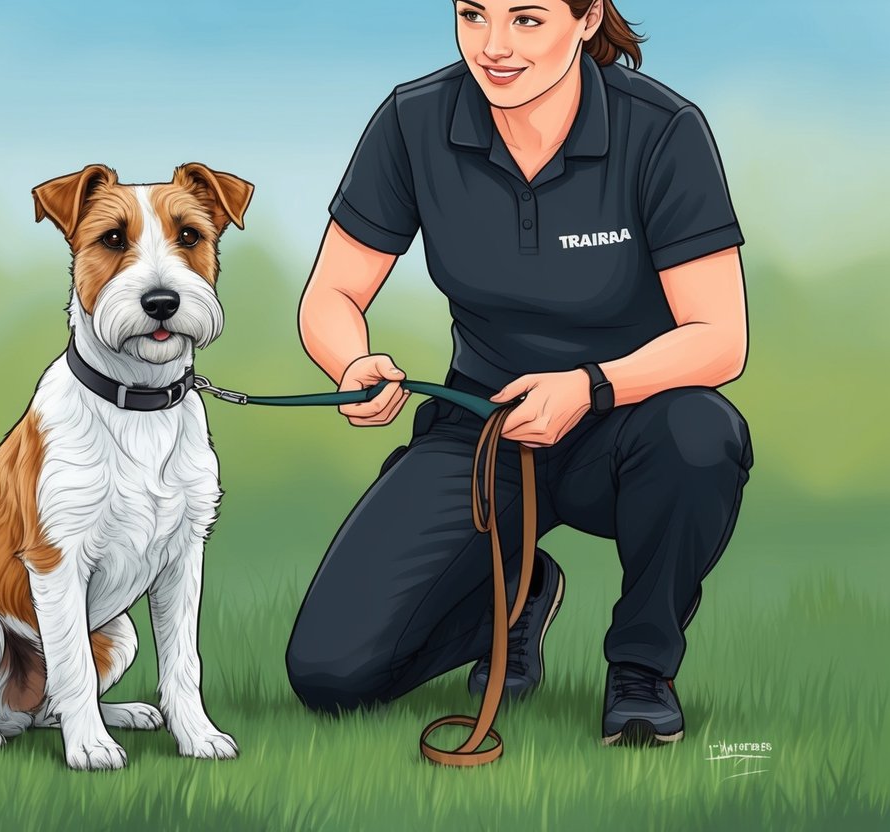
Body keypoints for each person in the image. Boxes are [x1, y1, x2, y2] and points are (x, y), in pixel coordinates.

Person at [285, 0, 755, 746]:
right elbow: (331, 293)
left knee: (703, 434)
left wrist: (588, 386)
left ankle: (640, 667)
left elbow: (719, 339)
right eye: (473, 15)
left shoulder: (663, 129)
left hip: (630, 427)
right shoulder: (413, 118)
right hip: (480, 429)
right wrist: (351, 360)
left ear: (588, 17)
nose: (493, 47)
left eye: (526, 19)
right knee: (329, 675)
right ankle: (511, 594)